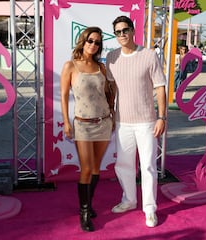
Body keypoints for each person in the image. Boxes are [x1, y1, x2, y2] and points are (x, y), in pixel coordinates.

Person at [105, 15, 167, 228]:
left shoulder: (149, 55)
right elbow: (112, 89)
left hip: (147, 122)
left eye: (125, 30)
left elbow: (160, 87)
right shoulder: (111, 57)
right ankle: (129, 200)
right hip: (123, 122)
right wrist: (112, 114)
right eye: (117, 32)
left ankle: (149, 209)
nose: (121, 35)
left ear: (133, 31)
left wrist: (162, 116)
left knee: (148, 166)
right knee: (123, 165)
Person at [60, 26, 114, 232]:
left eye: (98, 42)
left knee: (97, 168)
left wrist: (113, 114)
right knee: (87, 169)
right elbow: (64, 96)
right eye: (90, 40)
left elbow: (109, 93)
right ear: (83, 41)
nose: (93, 45)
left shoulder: (101, 68)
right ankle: (84, 213)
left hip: (104, 122)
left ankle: (88, 205)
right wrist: (66, 122)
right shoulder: (70, 66)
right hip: (82, 124)